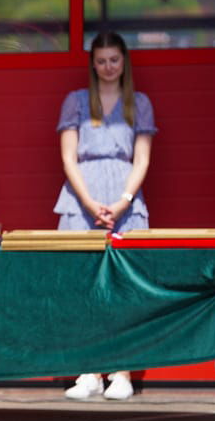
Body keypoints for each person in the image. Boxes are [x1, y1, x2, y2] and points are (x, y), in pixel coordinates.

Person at [55, 31, 157, 401]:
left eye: (114, 59)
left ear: (124, 62)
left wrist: (121, 202)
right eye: (101, 60)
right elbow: (68, 157)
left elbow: (142, 158)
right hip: (82, 197)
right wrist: (90, 201)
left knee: (122, 288)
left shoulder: (139, 103)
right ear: (92, 63)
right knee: (84, 285)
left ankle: (122, 371)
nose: (108, 66)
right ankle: (89, 370)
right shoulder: (76, 101)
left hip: (125, 197)